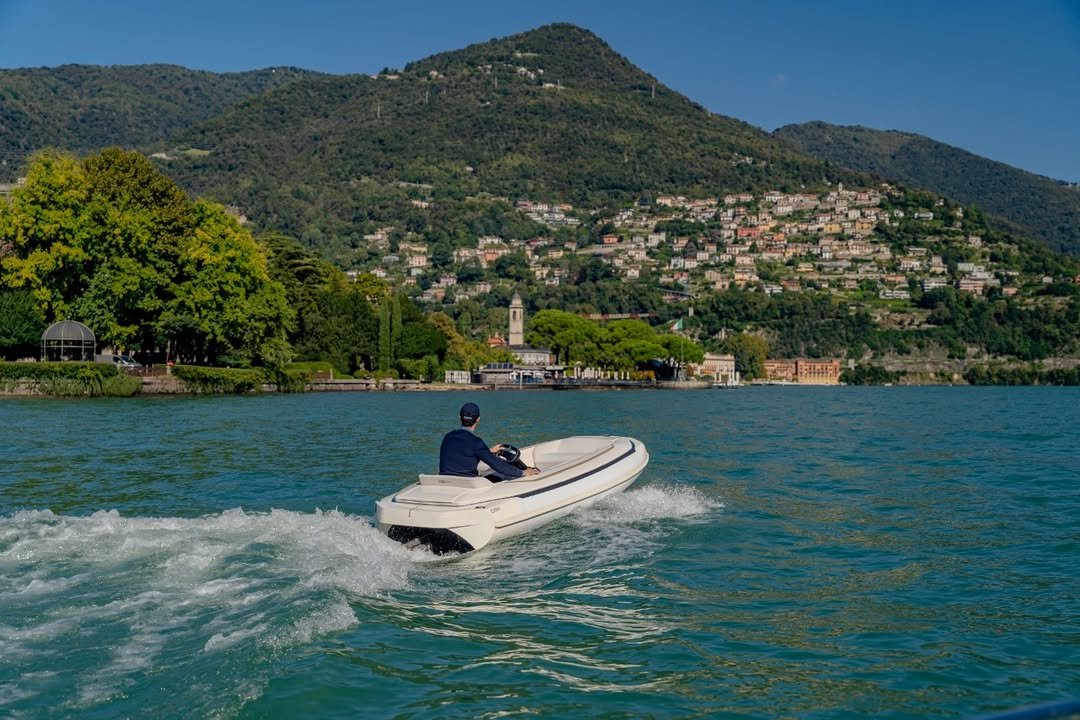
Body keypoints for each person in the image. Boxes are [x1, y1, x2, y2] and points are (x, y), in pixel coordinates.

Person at [439, 402, 540, 481]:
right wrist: (523, 472)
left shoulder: (448, 437)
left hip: (446, 481)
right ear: (478, 419)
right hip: (467, 484)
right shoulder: (476, 442)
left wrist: (487, 451)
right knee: (500, 476)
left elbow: (462, 451)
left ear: (460, 417)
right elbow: (498, 465)